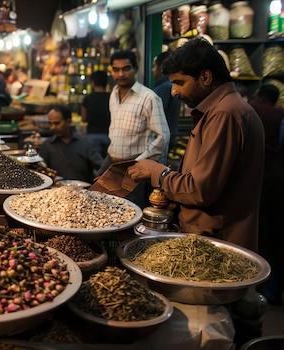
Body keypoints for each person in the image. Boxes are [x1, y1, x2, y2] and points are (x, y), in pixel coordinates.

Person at [127, 38, 265, 252]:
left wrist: (158, 173)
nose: (173, 91)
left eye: (179, 82)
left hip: (219, 246)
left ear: (206, 77)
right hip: (208, 238)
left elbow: (200, 190)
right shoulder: (220, 110)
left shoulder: (225, 113)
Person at [106, 49, 169, 208]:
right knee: (109, 213)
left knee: (131, 212)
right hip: (114, 166)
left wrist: (140, 162)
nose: (120, 74)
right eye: (116, 69)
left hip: (135, 169)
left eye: (126, 68)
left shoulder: (149, 98)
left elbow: (163, 136)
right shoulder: (113, 94)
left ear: (135, 69)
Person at [250, 84, 284, 304]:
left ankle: (258, 286)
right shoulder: (280, 115)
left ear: (259, 95)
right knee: (276, 238)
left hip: (257, 181)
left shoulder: (249, 109)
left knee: (261, 235)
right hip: (276, 179)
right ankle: (272, 291)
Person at [39, 105, 103, 183]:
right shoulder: (47, 145)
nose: (52, 127)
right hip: (56, 191)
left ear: (68, 122)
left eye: (57, 123)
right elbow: (40, 171)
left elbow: (101, 167)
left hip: (84, 190)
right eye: (51, 124)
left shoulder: (84, 143)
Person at [153, 51, 181, 150]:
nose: (153, 70)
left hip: (160, 141)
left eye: (154, 66)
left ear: (161, 67)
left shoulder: (163, 88)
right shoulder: (171, 86)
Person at [81, 70, 111, 158]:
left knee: (96, 164)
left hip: (92, 135)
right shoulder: (112, 98)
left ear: (92, 83)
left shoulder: (87, 98)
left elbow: (83, 118)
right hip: (109, 135)